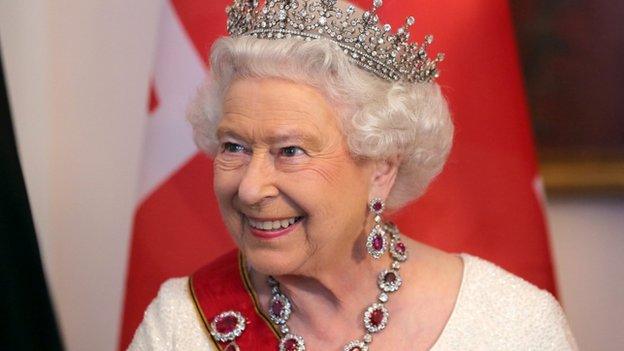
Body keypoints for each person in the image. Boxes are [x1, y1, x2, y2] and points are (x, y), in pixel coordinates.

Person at [128, 0, 578, 350]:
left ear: (381, 167)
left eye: (290, 151)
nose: (249, 187)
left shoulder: (510, 324)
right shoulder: (180, 324)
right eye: (234, 147)